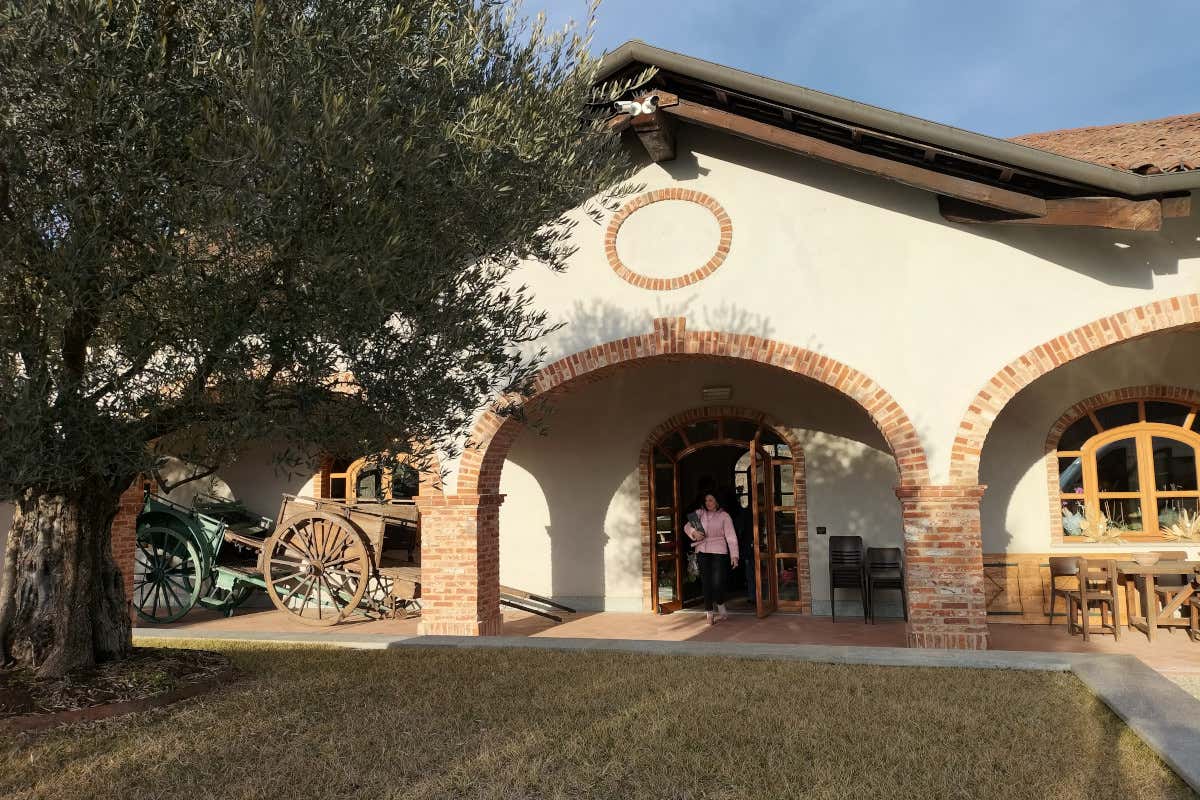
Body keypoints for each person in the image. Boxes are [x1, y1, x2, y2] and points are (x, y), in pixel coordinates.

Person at [684, 492, 740, 624]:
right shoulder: (699, 513)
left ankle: (720, 603)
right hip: (702, 550)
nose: (708, 503)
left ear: (717, 501)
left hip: (719, 551)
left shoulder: (724, 516)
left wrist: (734, 555)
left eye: (711, 500)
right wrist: (694, 533)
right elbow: (687, 526)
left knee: (718, 582)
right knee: (706, 582)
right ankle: (709, 611)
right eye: (706, 500)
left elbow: (731, 536)